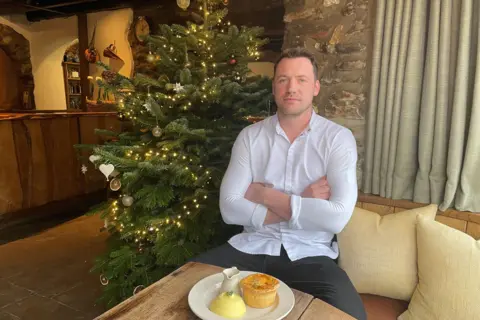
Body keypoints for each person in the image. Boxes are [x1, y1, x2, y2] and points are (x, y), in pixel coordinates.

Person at [191, 47, 366, 320]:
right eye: (283, 80)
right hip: (252, 246)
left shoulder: (337, 139)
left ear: (316, 87)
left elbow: (337, 219)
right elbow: (229, 208)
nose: (291, 88)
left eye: (301, 80)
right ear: (274, 87)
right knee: (188, 284)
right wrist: (304, 202)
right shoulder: (250, 137)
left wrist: (263, 195)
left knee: (352, 315)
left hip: (311, 254)